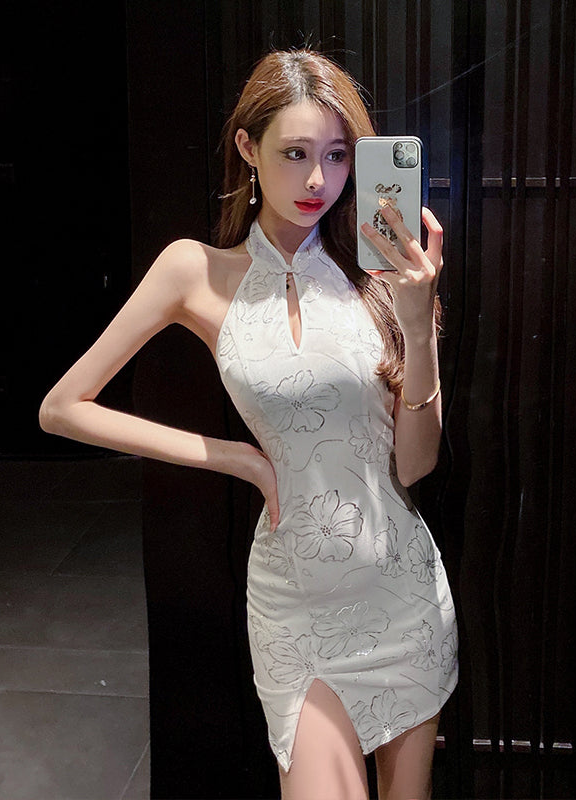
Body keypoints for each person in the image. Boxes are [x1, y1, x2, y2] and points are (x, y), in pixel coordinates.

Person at [40, 49, 458, 800]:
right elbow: (63, 407)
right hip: (296, 600)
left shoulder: (381, 278)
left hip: (400, 594)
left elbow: (416, 465)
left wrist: (419, 324)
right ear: (247, 148)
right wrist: (237, 458)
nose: (318, 180)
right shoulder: (195, 271)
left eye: (337, 155)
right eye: (295, 153)